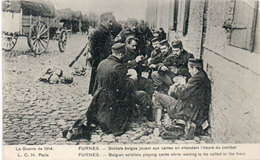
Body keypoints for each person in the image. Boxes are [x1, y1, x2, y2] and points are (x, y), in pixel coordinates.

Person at [85, 43, 152, 137]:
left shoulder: (102, 63)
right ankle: (149, 118)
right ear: (120, 54)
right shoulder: (117, 67)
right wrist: (133, 79)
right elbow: (124, 88)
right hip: (114, 99)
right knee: (143, 95)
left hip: (100, 97)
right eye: (123, 54)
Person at [153, 58, 211, 138]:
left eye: (189, 69)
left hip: (186, 111)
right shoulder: (201, 76)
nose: (189, 71)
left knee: (158, 97)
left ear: (194, 68)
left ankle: (158, 125)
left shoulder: (197, 79)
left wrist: (176, 86)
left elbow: (181, 94)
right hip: (192, 109)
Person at [88, 12, 115, 95]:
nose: (111, 24)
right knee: (97, 84)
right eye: (110, 21)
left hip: (104, 61)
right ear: (104, 21)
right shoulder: (98, 32)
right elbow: (93, 49)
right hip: (99, 62)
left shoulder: (106, 32)